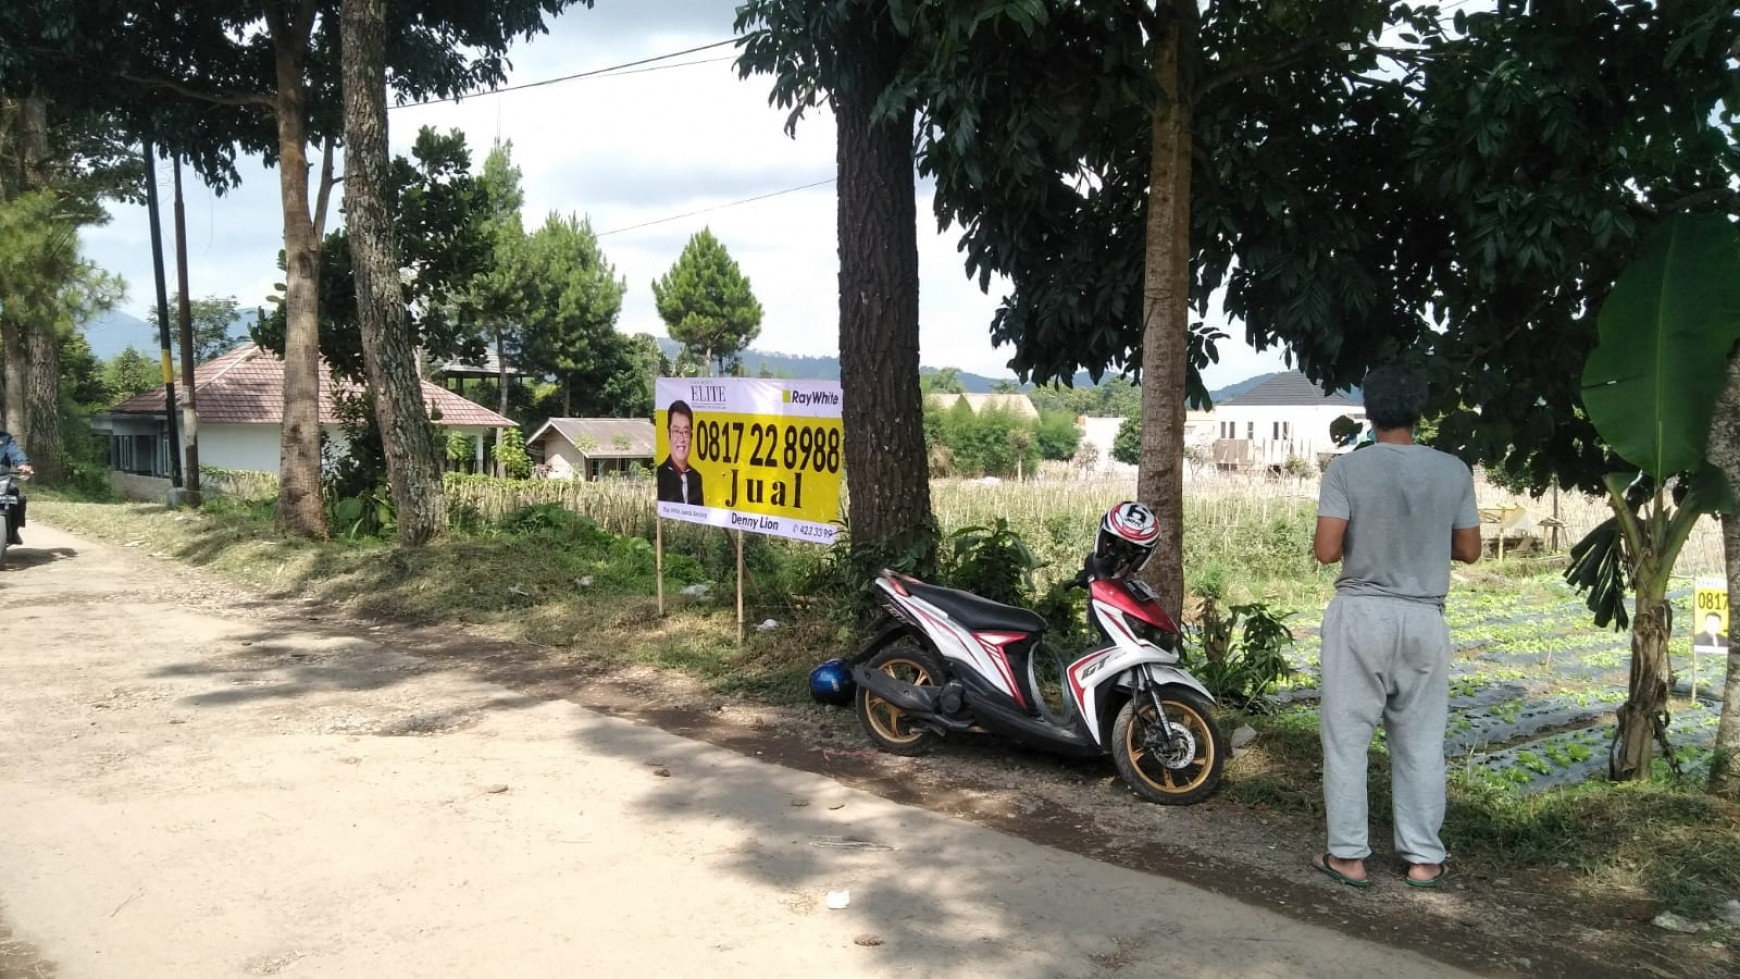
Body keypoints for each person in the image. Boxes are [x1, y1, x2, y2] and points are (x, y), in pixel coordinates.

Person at [1309, 365, 1481, 890]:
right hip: (1425, 616)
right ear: (1420, 412)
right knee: (1421, 742)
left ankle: (1348, 856)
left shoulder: (1347, 470)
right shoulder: (1454, 470)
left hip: (1361, 614)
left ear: (1369, 412)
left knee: (1347, 740)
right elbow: (1470, 550)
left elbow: (1326, 550)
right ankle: (1424, 858)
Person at [655, 400, 704, 505]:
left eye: (686, 432)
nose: (682, 439)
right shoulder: (660, 476)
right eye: (676, 431)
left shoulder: (696, 478)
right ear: (669, 434)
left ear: (691, 436)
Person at [0, 427, 33, 546]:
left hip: (2, 478)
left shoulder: (5, 439)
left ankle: (13, 530)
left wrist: (22, 464)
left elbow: (15, 453)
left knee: (19, 497)